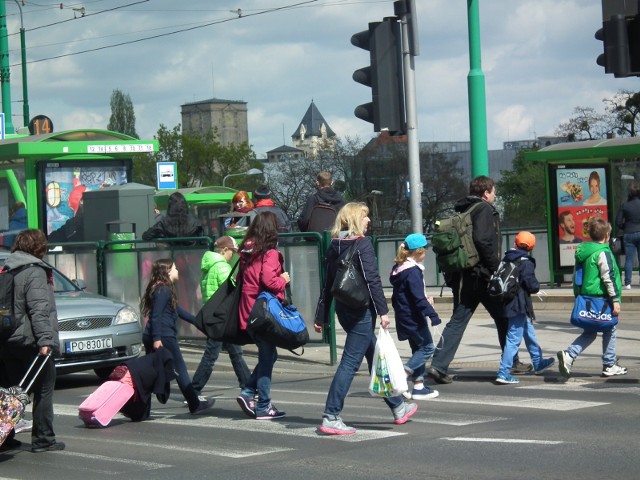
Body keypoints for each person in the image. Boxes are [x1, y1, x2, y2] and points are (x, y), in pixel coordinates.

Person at [314, 202, 417, 435]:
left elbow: (328, 284)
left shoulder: (334, 244)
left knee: (374, 357)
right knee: (350, 364)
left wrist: (321, 314)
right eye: (364, 216)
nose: (368, 220)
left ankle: (398, 407)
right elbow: (373, 280)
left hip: (344, 310)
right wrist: (383, 311)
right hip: (361, 311)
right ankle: (331, 416)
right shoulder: (362, 244)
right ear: (353, 219)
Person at [429, 176, 527, 385]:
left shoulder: (463, 209)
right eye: (493, 191)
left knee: (458, 321)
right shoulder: (482, 209)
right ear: (485, 193)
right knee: (504, 317)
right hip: (482, 275)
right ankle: (512, 361)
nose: (495, 195)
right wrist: (496, 268)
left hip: (463, 277)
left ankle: (438, 365)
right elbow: (483, 240)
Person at [0, 229, 64, 452]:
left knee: (10, 392)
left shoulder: (7, 269)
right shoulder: (34, 271)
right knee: (45, 387)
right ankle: (43, 439)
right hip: (30, 341)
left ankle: (5, 438)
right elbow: (39, 310)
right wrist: (46, 341)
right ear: (39, 247)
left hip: (7, 339)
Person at [235, 211, 290, 420]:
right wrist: (283, 279)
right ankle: (263, 405)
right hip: (264, 313)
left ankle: (248, 392)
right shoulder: (270, 253)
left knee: (270, 354)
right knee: (267, 356)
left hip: (248, 310)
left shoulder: (247, 251)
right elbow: (270, 281)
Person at [140, 259, 214, 415]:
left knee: (152, 372)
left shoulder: (160, 288)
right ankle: (194, 404)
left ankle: (142, 408)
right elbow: (156, 316)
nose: (177, 271)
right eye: (174, 269)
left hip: (155, 335)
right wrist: (157, 339)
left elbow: (177, 310)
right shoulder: (163, 290)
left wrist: (198, 323)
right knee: (180, 369)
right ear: (167, 272)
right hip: (163, 337)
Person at [557, 216, 627, 378]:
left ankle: (569, 355)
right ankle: (609, 364)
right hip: (602, 299)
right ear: (607, 236)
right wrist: (615, 300)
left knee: (590, 332)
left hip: (587, 298)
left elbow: (577, 277)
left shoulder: (584, 252)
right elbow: (608, 277)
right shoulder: (603, 253)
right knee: (610, 328)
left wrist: (578, 296)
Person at [192, 236, 251, 394]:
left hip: (214, 315)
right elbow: (232, 291)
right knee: (213, 355)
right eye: (232, 251)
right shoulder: (222, 267)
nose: (233, 255)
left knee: (234, 352)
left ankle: (248, 386)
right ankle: (194, 390)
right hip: (223, 317)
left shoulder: (208, 266)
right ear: (224, 250)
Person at [495, 231, 555, 385]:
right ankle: (503, 371)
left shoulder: (507, 258)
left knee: (529, 333)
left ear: (515, 243)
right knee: (513, 339)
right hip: (519, 305)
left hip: (509, 303)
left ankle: (538, 362)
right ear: (531, 247)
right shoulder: (525, 262)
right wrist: (536, 287)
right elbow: (531, 284)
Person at [389, 233, 441, 400]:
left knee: (418, 349)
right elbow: (417, 297)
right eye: (425, 251)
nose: (426, 254)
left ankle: (418, 386)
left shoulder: (399, 269)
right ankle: (402, 375)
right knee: (427, 348)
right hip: (414, 317)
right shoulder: (412, 272)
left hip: (405, 315)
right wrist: (432, 314)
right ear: (418, 252)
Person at [615, 180, 640, 289]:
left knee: (629, 259)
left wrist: (625, 227)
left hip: (628, 233)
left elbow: (618, 221)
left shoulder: (625, 205)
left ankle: (628, 282)